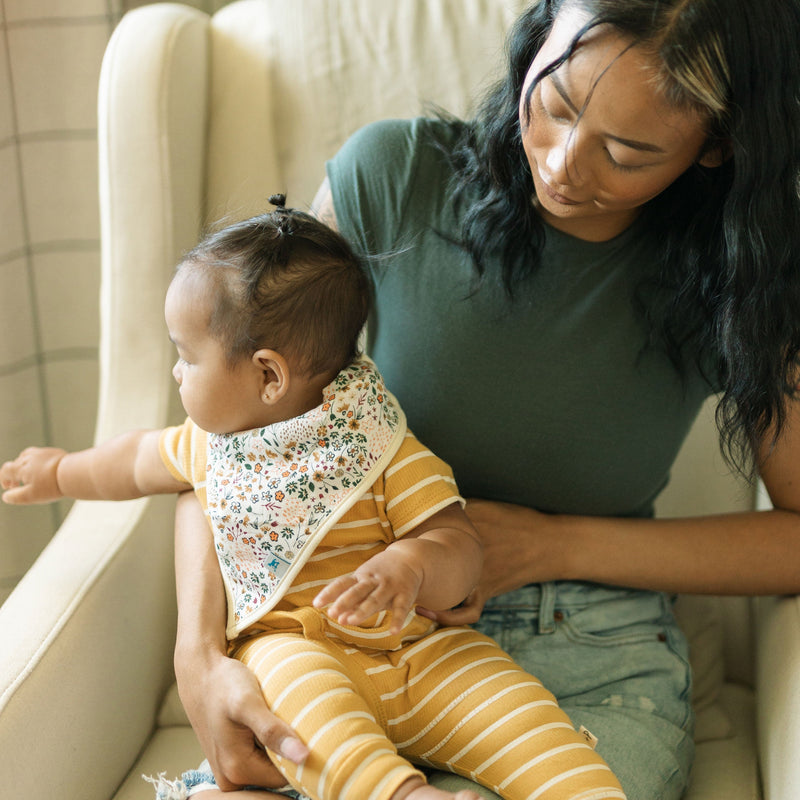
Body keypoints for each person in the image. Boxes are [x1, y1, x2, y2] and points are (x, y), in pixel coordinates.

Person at [168, 1, 800, 800]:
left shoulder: (745, 273)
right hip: (347, 626)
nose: (563, 164)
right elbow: (225, 447)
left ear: (715, 146)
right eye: (556, 106)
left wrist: (553, 545)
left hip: (587, 639)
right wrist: (199, 656)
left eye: (626, 152)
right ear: (534, 48)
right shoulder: (393, 178)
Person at [1, 200, 626, 800]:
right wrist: (60, 472)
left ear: (268, 375)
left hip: (419, 651)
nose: (176, 372)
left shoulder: (375, 444)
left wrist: (414, 565)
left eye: (187, 357)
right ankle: (402, 794)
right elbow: (131, 460)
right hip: (298, 649)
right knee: (297, 705)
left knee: (518, 710)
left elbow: (461, 550)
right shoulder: (208, 447)